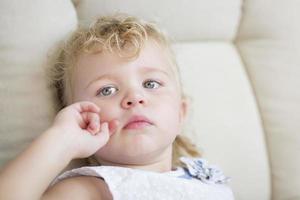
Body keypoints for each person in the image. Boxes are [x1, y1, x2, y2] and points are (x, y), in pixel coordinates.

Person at [0, 14, 234, 200]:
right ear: (83, 122)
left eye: (151, 83)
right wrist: (61, 140)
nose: (134, 97)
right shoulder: (94, 188)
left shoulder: (205, 178)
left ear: (181, 112)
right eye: (107, 90)